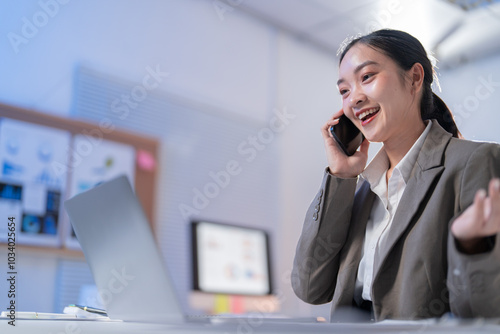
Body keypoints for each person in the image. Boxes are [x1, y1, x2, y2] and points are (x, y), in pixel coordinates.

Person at [291, 29, 500, 322]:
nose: (354, 100)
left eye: (367, 77)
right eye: (344, 90)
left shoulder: (474, 162)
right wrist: (340, 178)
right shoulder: (364, 187)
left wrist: (472, 247)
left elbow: (484, 314)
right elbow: (310, 287)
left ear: (415, 78)